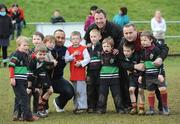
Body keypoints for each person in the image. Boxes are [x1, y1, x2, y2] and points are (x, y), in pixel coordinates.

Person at [118, 23, 169, 113]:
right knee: (132, 86)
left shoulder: (145, 37)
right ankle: (133, 107)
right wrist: (133, 66)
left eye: (131, 32)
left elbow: (164, 48)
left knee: (157, 86)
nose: (128, 35)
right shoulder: (123, 42)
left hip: (151, 68)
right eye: (126, 33)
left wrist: (160, 58)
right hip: (136, 69)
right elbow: (120, 61)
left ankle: (162, 107)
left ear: (136, 31)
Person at [138, 31, 169, 115]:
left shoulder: (156, 49)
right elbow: (143, 65)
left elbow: (160, 63)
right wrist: (140, 75)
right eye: (141, 40)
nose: (143, 42)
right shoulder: (142, 51)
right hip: (148, 77)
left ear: (151, 40)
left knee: (163, 89)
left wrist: (160, 74)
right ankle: (151, 109)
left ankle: (165, 107)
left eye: (145, 40)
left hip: (157, 75)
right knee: (150, 92)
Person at [9, 36, 39, 121]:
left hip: (23, 79)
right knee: (24, 97)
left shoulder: (25, 54)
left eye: (27, 45)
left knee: (20, 97)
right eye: (24, 45)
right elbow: (11, 66)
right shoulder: (16, 54)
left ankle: (17, 115)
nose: (27, 47)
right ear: (18, 46)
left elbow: (29, 59)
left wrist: (34, 56)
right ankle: (28, 117)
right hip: (17, 80)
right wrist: (12, 78)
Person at [96, 37, 124, 114]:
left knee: (116, 94)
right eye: (104, 46)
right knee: (102, 94)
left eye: (108, 46)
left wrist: (117, 54)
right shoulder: (100, 55)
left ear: (112, 47)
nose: (106, 48)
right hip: (103, 79)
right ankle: (101, 108)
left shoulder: (116, 55)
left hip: (114, 79)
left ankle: (120, 108)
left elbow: (120, 61)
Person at [65, 31, 90, 114]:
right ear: (71, 40)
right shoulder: (69, 49)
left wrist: (81, 63)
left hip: (81, 74)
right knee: (75, 92)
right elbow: (66, 59)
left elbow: (87, 59)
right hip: (73, 74)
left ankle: (83, 107)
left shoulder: (83, 48)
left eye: (77, 38)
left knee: (81, 91)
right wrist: (72, 55)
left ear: (80, 39)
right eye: (73, 39)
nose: (75, 40)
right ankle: (76, 107)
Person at [27, 44, 55, 117]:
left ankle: (40, 104)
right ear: (35, 54)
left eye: (44, 54)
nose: (42, 56)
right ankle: (35, 110)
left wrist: (53, 63)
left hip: (43, 78)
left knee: (51, 90)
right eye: (40, 54)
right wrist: (29, 86)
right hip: (35, 80)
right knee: (36, 93)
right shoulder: (32, 62)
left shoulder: (43, 62)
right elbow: (30, 74)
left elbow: (49, 65)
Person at [52, 29, 74, 113]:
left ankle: (59, 103)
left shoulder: (67, 50)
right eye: (58, 37)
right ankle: (43, 108)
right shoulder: (47, 48)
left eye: (62, 38)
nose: (60, 40)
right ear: (53, 38)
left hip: (58, 79)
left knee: (70, 91)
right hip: (44, 79)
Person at [122, 41, 145, 115]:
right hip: (132, 77)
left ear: (133, 50)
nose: (125, 53)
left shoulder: (137, 56)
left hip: (140, 77)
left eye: (128, 51)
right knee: (131, 90)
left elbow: (142, 67)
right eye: (124, 50)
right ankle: (134, 107)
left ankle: (141, 108)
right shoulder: (124, 58)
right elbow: (125, 66)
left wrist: (141, 75)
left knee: (140, 90)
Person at [86, 29, 102, 113]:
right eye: (91, 37)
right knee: (90, 89)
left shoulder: (102, 47)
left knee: (99, 89)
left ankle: (99, 107)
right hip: (90, 72)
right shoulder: (88, 48)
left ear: (99, 37)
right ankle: (91, 106)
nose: (93, 38)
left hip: (99, 71)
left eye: (95, 36)